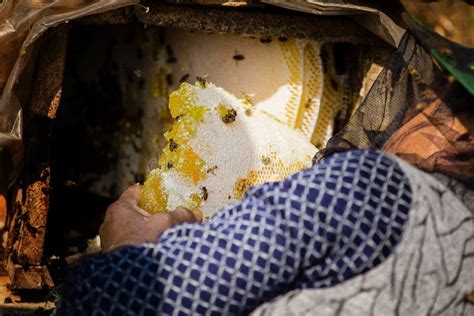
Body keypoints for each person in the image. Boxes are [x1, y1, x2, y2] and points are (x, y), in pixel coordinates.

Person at [57, 31, 473, 316]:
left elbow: (120, 299)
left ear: (461, 135)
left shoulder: (368, 194)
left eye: (432, 105)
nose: (404, 114)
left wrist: (126, 246)